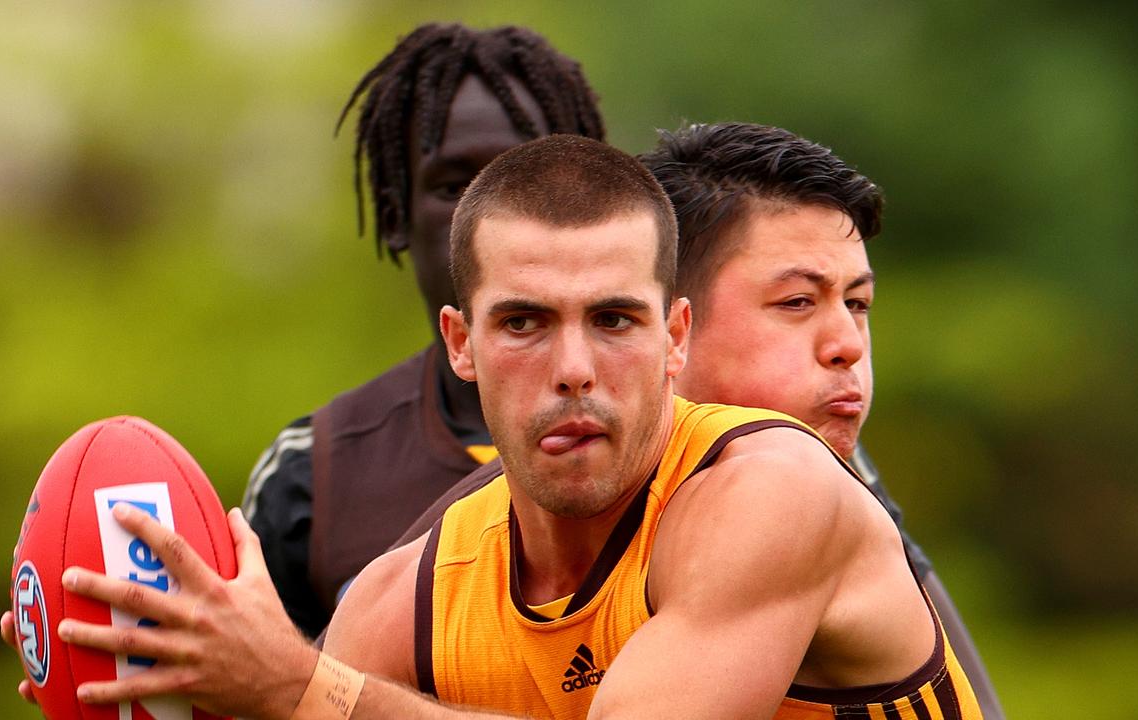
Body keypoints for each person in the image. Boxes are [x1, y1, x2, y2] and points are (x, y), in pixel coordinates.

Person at [34, 135, 981, 719]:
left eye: (613, 319)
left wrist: (294, 688)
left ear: (674, 338)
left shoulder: (775, 488)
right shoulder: (399, 599)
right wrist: (141, 668)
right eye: (524, 322)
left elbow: (318, 702)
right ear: (461, 342)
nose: (573, 368)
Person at [390, 123, 1004, 716]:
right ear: (673, 329)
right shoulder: (439, 558)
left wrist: (333, 696)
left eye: (858, 303)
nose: (848, 342)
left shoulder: (807, 489)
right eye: (797, 302)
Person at [241, 22, 604, 636]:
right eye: (452, 185)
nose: (493, 218)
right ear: (394, 217)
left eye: (525, 179)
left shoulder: (701, 443)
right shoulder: (314, 475)